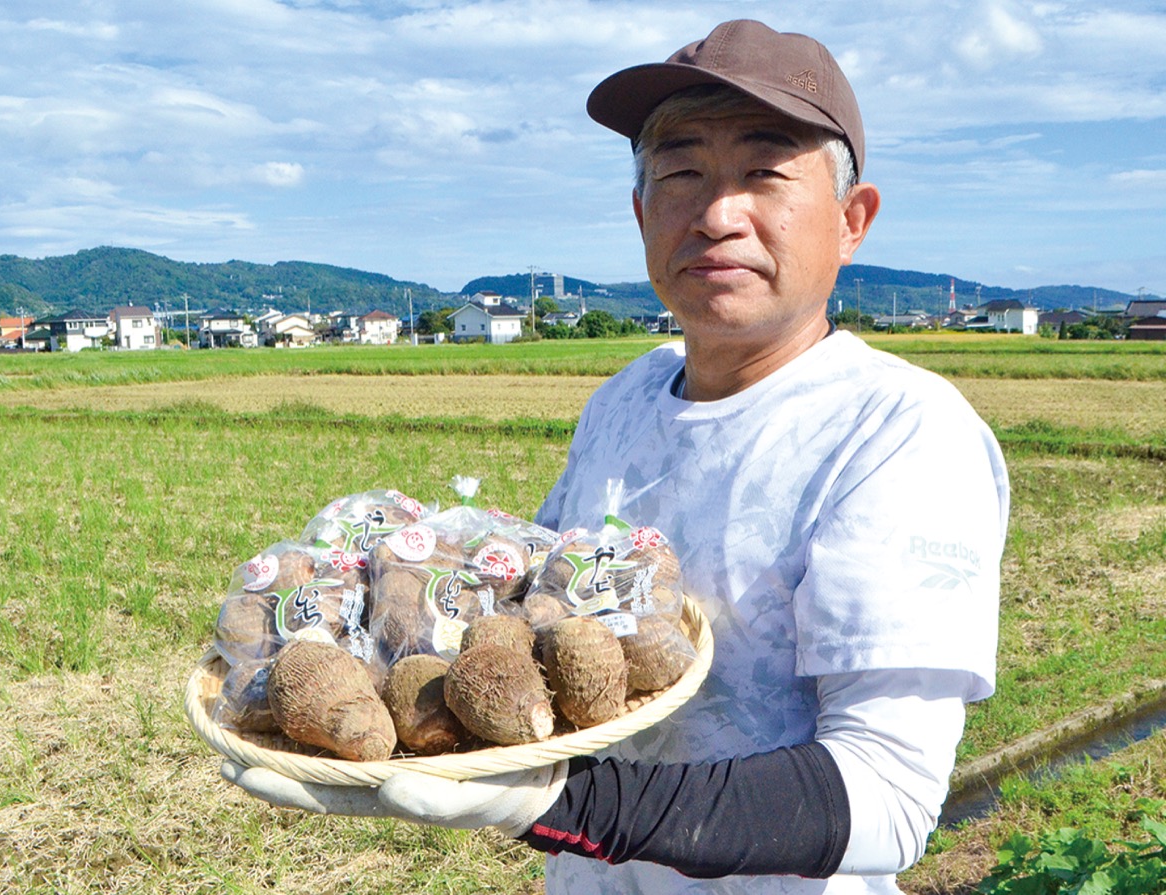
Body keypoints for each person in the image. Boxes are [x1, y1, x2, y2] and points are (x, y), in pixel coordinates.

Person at [223, 19, 1010, 894]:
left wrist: (559, 806)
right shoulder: (628, 397)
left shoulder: (898, 430)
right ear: (642, 213)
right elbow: (536, 614)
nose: (717, 213)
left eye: (765, 171)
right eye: (680, 172)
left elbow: (889, 796)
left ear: (852, 220)